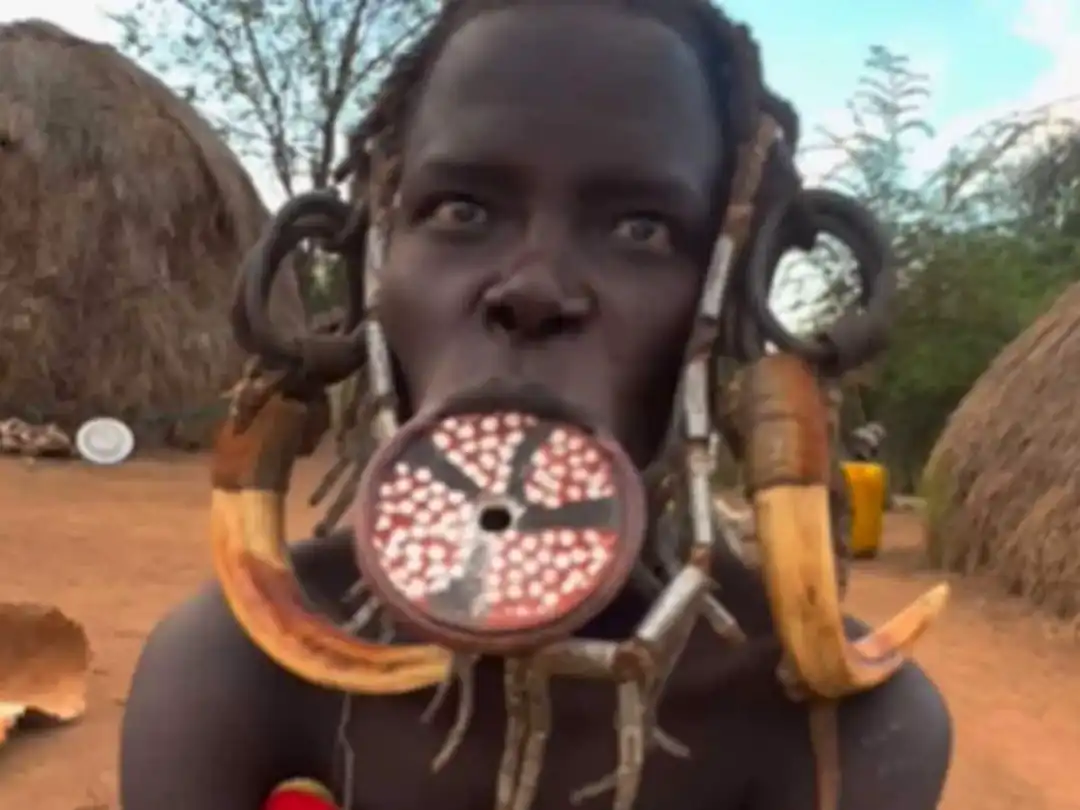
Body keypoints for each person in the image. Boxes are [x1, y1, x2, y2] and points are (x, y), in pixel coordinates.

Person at [119, 3, 952, 810]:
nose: (533, 289)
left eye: (641, 229)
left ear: (733, 299)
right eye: (461, 210)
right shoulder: (232, 673)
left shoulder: (845, 726)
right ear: (370, 258)